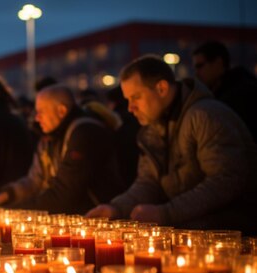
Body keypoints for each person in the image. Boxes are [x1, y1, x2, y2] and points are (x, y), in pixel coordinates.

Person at [87, 55, 257, 233]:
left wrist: (166, 213)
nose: (130, 108)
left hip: (231, 235)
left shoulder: (206, 116)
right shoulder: (152, 128)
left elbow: (225, 180)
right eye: (128, 100)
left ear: (161, 88)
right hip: (190, 230)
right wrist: (115, 208)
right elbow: (149, 182)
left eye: (135, 97)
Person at [0, 85, 125, 214]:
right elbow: (35, 180)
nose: (36, 118)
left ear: (61, 110)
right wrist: (6, 195)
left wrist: (14, 212)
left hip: (94, 220)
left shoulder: (85, 132)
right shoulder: (49, 138)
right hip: (68, 218)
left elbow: (64, 193)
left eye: (41, 112)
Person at [192, 40, 257, 141]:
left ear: (218, 63)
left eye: (200, 66)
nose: (196, 73)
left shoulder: (240, 97)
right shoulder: (224, 93)